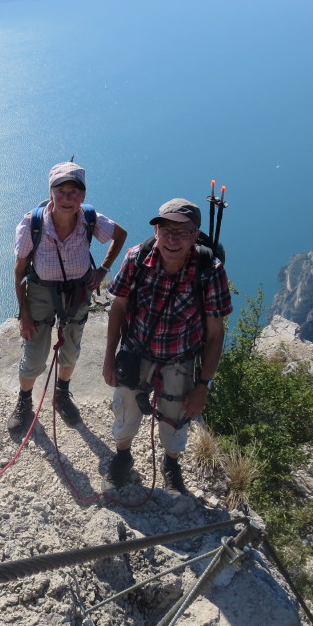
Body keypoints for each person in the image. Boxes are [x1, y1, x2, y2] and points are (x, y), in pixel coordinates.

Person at [102, 198, 232, 493]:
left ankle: (171, 463)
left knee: (176, 421)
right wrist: (109, 356)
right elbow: (119, 308)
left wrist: (203, 386)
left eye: (183, 231)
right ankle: (123, 458)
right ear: (156, 231)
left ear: (196, 236)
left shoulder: (209, 271)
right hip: (135, 352)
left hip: (180, 362)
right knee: (124, 413)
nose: (173, 238)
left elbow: (214, 334)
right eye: (166, 229)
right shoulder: (137, 258)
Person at [8, 161, 127, 431]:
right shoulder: (32, 224)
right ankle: (24, 400)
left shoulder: (90, 219)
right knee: (35, 355)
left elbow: (120, 235)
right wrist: (24, 313)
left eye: (74, 192)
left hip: (77, 291)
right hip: (40, 291)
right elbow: (19, 271)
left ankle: (62, 394)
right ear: (50, 193)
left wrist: (104, 269)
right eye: (61, 191)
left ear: (83, 196)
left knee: (70, 350)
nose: (67, 199)